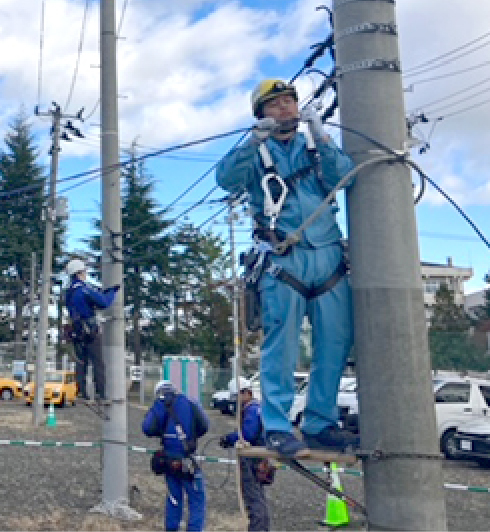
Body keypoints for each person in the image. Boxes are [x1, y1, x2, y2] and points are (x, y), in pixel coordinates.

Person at [217, 79, 358, 456]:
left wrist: (321, 135)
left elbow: (346, 176)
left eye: (289, 102)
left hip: (328, 257)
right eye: (275, 104)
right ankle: (277, 426)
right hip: (284, 259)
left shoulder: (314, 148)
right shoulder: (255, 153)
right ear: (261, 114)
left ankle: (320, 422)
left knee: (335, 342)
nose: (285, 108)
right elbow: (226, 179)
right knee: (281, 346)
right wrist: (253, 141)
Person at [142, 380, 209, 532]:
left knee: (174, 497)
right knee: (197, 499)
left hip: (169, 459)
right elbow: (204, 425)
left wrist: (162, 433)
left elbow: (147, 428)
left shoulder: (160, 404)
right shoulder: (190, 402)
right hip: (187, 458)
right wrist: (191, 437)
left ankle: (171, 528)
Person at [63, 258, 119, 402]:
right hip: (90, 331)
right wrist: (112, 292)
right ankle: (101, 394)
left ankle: (81, 393)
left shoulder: (69, 292)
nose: (86, 273)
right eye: (84, 271)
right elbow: (104, 303)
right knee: (98, 363)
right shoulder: (84, 290)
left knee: (81, 363)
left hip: (76, 332)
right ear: (78, 273)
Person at [220, 379, 270, 532]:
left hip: (252, 457)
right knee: (258, 497)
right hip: (260, 456)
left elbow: (248, 434)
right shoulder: (259, 408)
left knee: (253, 497)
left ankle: (257, 528)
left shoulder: (252, 410)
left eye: (237, 397)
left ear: (247, 393)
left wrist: (229, 439)